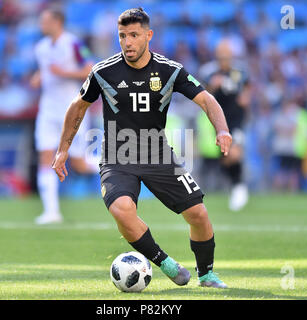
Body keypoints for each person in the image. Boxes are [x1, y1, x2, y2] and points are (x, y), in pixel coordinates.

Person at [52, 8, 232, 288]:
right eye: (122, 36)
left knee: (198, 214)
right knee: (122, 209)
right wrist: (63, 149)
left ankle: (206, 274)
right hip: (117, 157)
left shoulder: (169, 71)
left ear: (148, 36)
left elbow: (207, 99)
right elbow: (78, 107)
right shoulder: (103, 72)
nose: (127, 42)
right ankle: (167, 264)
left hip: (158, 154)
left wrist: (221, 129)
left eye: (134, 35)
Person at [31, 9, 94, 225]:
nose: (41, 24)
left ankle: (117, 164)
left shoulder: (74, 44)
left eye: (45, 20)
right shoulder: (41, 47)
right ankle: (51, 212)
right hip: (47, 109)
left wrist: (64, 74)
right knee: (45, 157)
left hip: (71, 108)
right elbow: (46, 69)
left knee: (79, 164)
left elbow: (91, 69)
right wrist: (38, 77)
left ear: (57, 22)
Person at [198, 40, 251, 211]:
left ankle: (239, 187)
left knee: (234, 153)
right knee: (225, 156)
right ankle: (236, 185)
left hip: (235, 120)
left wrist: (245, 99)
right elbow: (202, 95)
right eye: (221, 56)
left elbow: (247, 92)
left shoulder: (240, 71)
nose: (224, 59)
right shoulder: (209, 72)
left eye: (227, 56)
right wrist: (214, 85)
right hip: (217, 121)